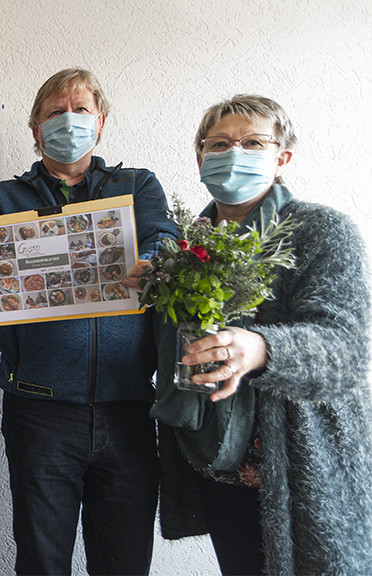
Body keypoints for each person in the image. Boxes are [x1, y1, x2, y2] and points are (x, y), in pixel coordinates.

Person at [0, 68, 177, 574]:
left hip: (130, 406)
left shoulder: (137, 185)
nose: (68, 120)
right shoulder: (4, 198)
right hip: (39, 409)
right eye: (55, 112)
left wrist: (159, 261)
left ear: (100, 123)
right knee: (41, 561)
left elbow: (165, 237)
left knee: (124, 562)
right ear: (35, 129)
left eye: (80, 110)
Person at [143, 95, 372, 574]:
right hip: (217, 465)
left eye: (252, 142)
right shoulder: (185, 243)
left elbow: (348, 348)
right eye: (220, 144)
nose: (234, 153)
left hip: (297, 468)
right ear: (201, 157)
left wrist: (264, 349)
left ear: (282, 156)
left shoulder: (321, 231)